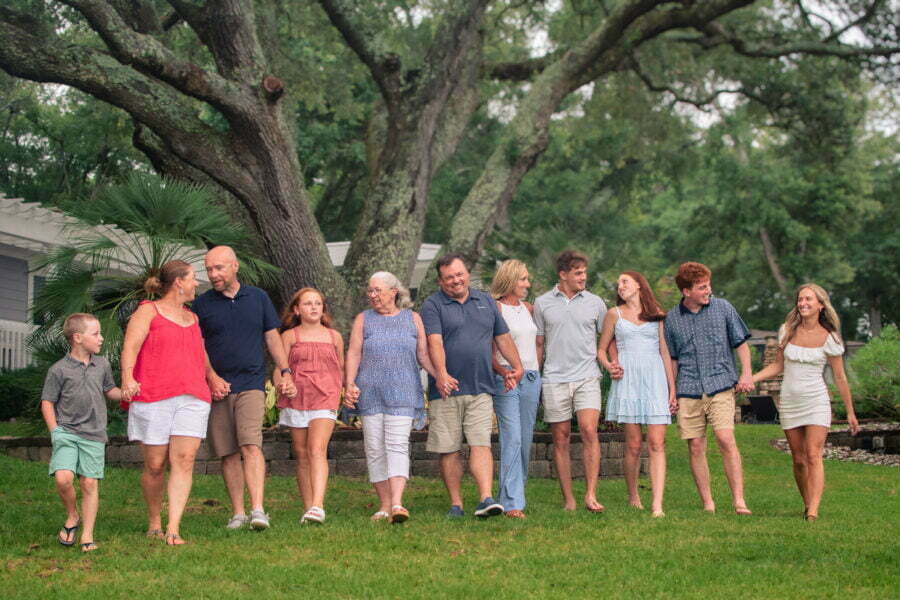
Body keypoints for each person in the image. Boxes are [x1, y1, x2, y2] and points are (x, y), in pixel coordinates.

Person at [191, 245, 296, 531]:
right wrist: (211, 377)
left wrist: (285, 370)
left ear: (235, 266)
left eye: (218, 268)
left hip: (251, 382)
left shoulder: (258, 298)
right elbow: (197, 347)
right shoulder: (201, 305)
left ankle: (258, 509)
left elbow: (272, 337)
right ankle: (238, 513)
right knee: (227, 452)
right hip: (218, 388)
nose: (213, 274)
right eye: (209, 269)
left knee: (251, 444)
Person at [421, 253, 524, 518]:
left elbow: (502, 337)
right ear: (440, 281)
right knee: (449, 448)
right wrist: (441, 374)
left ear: (467, 273)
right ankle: (456, 504)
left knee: (481, 443)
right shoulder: (433, 305)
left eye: (459, 274)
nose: (456, 281)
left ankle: (485, 498)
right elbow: (435, 342)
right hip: (446, 390)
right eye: (449, 277)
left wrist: (517, 365)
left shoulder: (486, 301)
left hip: (481, 385)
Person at [121, 260, 212, 545]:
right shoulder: (148, 311)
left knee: (184, 460)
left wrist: (212, 376)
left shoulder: (193, 318)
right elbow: (131, 347)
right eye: (193, 278)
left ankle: (173, 527)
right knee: (156, 465)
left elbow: (200, 353)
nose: (197, 283)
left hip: (193, 396)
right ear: (178, 283)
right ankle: (154, 521)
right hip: (154, 395)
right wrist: (127, 378)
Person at [752, 283, 858, 521]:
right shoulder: (787, 330)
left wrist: (850, 412)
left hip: (816, 401)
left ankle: (813, 511)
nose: (803, 304)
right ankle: (807, 502)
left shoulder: (830, 338)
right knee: (798, 459)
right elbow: (777, 366)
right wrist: (750, 378)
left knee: (813, 454)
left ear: (821, 305)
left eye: (808, 299)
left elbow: (840, 377)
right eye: (800, 300)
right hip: (790, 401)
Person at [343, 272, 437, 523]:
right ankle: (384, 505)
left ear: (394, 291)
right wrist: (349, 384)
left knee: (396, 445)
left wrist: (441, 376)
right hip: (371, 393)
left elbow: (423, 355)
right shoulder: (364, 319)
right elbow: (353, 353)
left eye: (378, 291)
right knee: (375, 449)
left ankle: (397, 504)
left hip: (404, 392)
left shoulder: (412, 318)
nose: (372, 295)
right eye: (370, 291)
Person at [664, 261, 753, 515]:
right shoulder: (672, 320)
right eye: (702, 287)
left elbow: (741, 343)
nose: (708, 291)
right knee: (695, 446)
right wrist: (672, 392)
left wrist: (746, 373)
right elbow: (672, 359)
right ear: (686, 291)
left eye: (708, 285)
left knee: (726, 439)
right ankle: (708, 503)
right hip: (689, 388)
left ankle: (739, 501)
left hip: (720, 384)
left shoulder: (723, 308)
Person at [40, 313, 123, 552]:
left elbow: (111, 391)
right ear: (78, 338)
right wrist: (55, 431)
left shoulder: (103, 364)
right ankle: (72, 515)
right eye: (95, 334)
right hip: (66, 432)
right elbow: (47, 402)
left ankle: (87, 535)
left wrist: (127, 393)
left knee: (88, 483)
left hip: (94, 434)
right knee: (63, 478)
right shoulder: (59, 370)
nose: (101, 338)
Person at [533, 250, 607, 512]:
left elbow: (607, 339)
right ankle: (569, 500)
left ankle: (590, 494)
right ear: (563, 274)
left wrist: (611, 363)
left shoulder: (596, 302)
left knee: (589, 430)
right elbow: (539, 343)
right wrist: (534, 374)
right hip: (554, 378)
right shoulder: (542, 303)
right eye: (578, 273)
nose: (583, 277)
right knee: (561, 438)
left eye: (584, 273)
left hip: (587, 376)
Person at [598, 272, 676, 517]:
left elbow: (665, 352)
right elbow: (601, 349)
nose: (620, 286)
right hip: (628, 381)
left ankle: (657, 504)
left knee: (657, 443)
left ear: (639, 285)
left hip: (655, 381)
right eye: (618, 283)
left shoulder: (658, 314)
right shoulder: (614, 314)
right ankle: (633, 496)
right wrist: (611, 365)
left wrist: (672, 389)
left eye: (625, 282)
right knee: (632, 445)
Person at [277, 287, 344, 525]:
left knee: (317, 449)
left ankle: (318, 505)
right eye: (308, 304)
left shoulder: (334, 336)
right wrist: (283, 383)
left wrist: (344, 392)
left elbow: (341, 369)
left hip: (325, 397)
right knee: (303, 454)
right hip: (297, 399)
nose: (314, 307)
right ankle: (308, 508)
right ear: (297, 309)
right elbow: (279, 368)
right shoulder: (289, 336)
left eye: (318, 303)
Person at [489, 260, 541, 519]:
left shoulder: (528, 308)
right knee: (512, 438)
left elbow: (536, 344)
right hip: (506, 378)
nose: (527, 284)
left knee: (525, 440)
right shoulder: (495, 308)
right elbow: (488, 352)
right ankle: (512, 503)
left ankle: (512, 494)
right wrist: (504, 372)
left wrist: (535, 368)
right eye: (523, 279)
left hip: (531, 378)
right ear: (509, 280)